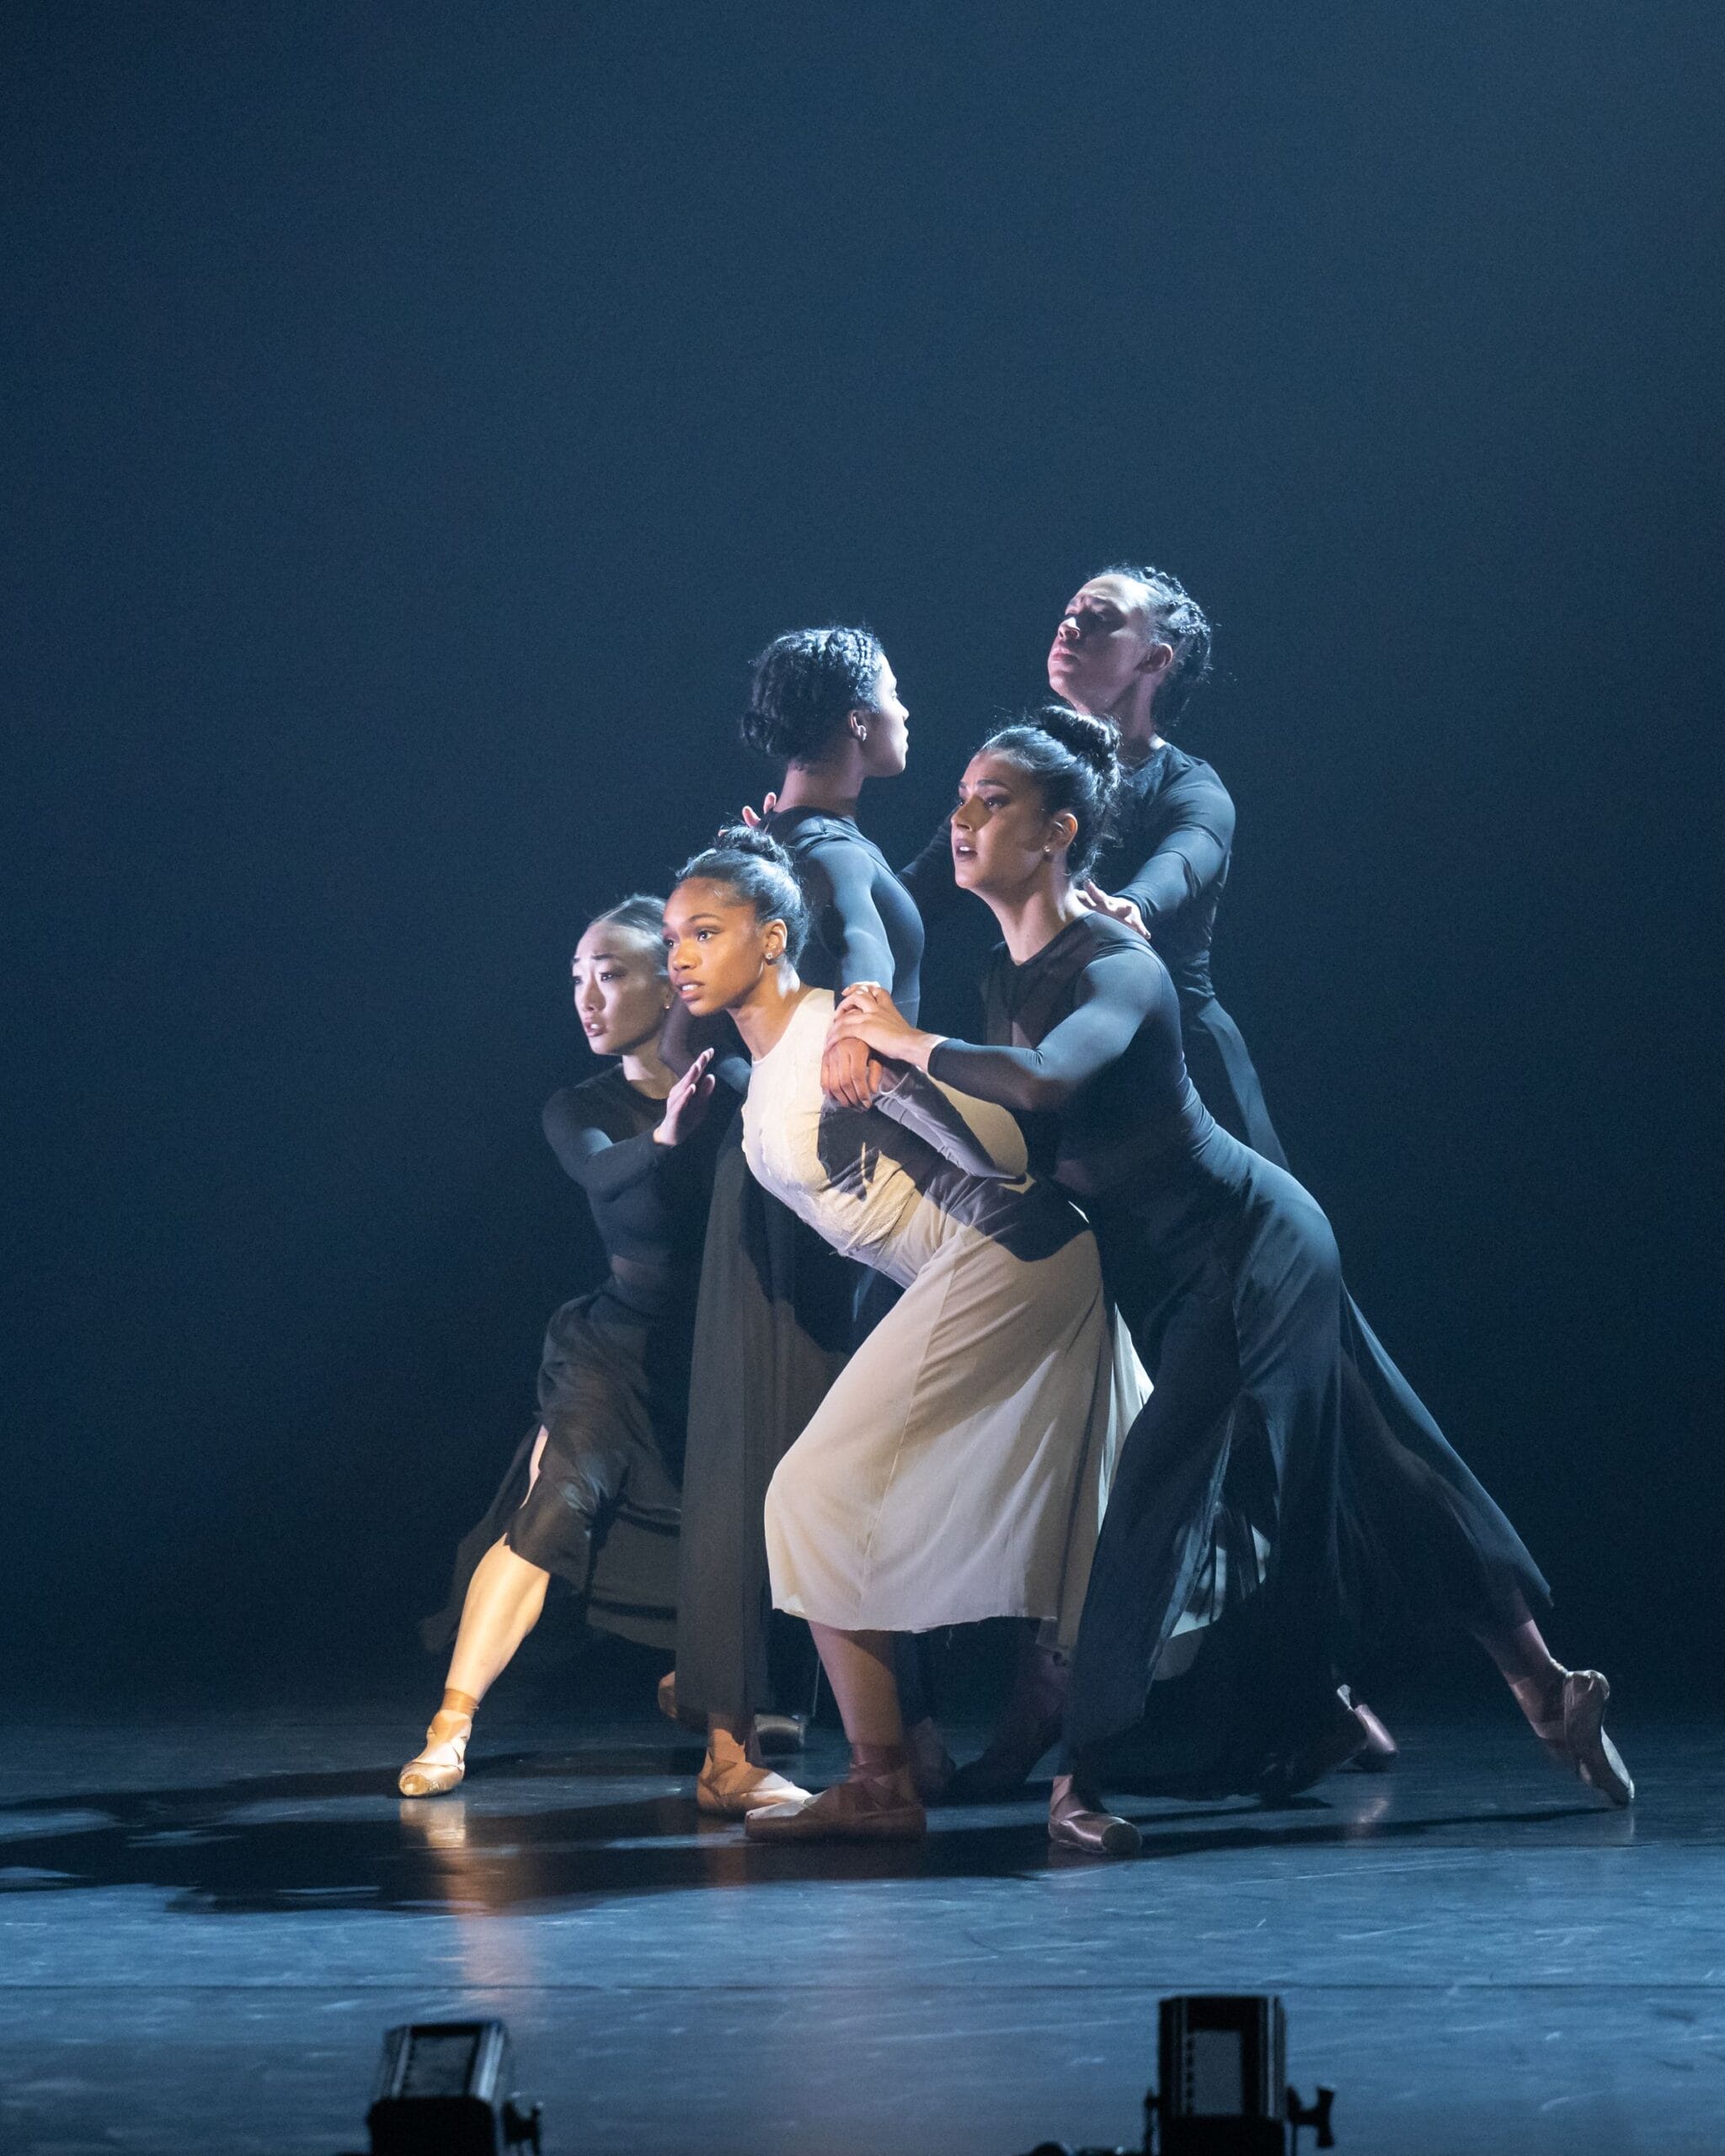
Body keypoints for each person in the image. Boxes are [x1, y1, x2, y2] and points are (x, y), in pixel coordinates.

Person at [829, 707, 1632, 1854]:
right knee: (1368, 1453)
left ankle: (1084, 1785)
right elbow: (1023, 1148)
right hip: (1167, 1271)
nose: (959, 820)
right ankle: (1531, 1687)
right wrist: (893, 1092)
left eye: (990, 801)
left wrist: (904, 1042)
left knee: (1168, 1485)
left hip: (1255, 1245)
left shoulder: (1121, 966)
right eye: (957, 797)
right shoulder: (1000, 987)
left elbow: (1049, 1087)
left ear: (1060, 832)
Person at [663, 829, 1146, 1845]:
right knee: (852, 1499)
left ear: (775, 936)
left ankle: (884, 1781)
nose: (682, 956)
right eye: (673, 939)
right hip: (983, 1275)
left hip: (1011, 1258)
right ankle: (895, 1766)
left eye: (706, 932)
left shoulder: (829, 1039)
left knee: (810, 1491)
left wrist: (894, 1070)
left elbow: (995, 1152)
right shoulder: (767, 1069)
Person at [396, 899, 804, 1806]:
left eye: (610, 973)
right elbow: (598, 1170)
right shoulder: (578, 1106)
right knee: (555, 1504)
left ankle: (703, 1704)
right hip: (611, 1350)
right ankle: (450, 1724)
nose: (586, 995)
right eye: (575, 977)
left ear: (670, 982)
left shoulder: (738, 1081)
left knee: (737, 1538)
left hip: (715, 1357)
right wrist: (663, 1138)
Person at [674, 627, 951, 1812]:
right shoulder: (821, 847)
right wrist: (864, 1021)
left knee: (834, 1446)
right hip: (807, 1184)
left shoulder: (787, 840)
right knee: (774, 1434)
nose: (907, 714)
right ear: (853, 721)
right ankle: (734, 1747)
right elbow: (872, 935)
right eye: (893, 696)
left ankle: (899, 1733)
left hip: (813, 1175)